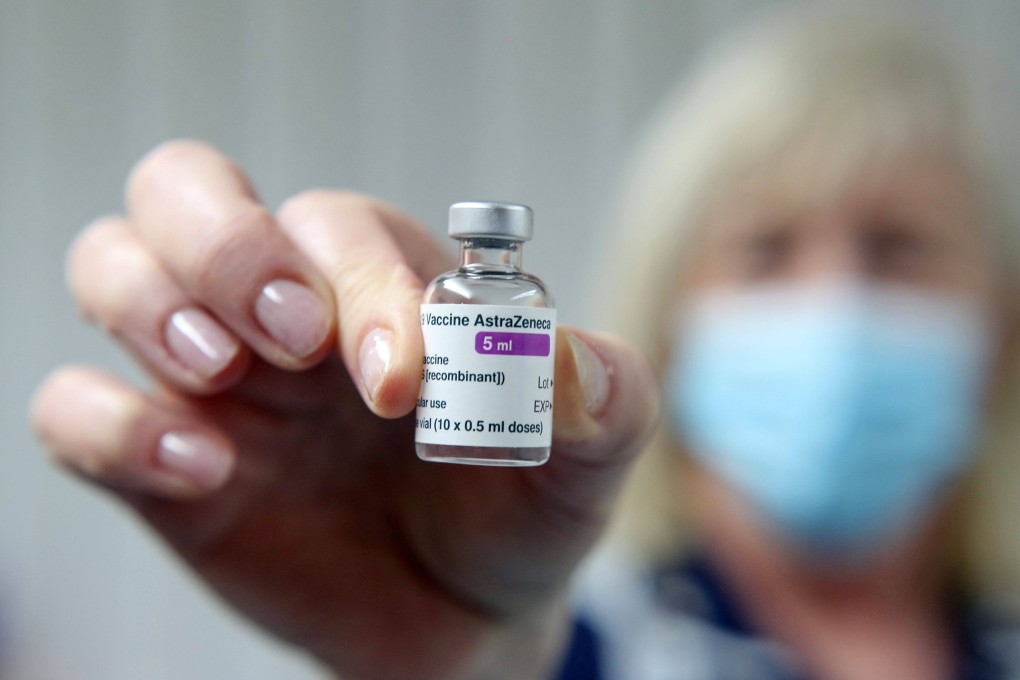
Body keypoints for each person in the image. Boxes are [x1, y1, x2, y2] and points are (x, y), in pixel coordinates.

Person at [29, 7, 1020, 680]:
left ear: (1002, 322)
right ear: (671, 319)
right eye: (764, 249)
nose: (835, 300)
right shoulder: (568, 644)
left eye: (901, 247)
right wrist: (473, 653)